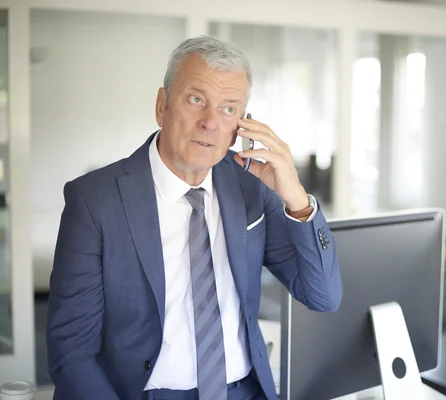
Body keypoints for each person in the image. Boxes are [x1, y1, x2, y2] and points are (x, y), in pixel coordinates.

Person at [46, 36, 343, 400]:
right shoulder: (94, 201)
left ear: (241, 124)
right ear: (162, 105)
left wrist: (296, 197)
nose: (210, 123)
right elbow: (72, 354)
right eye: (196, 99)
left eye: (229, 109)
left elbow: (323, 296)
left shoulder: (251, 188)